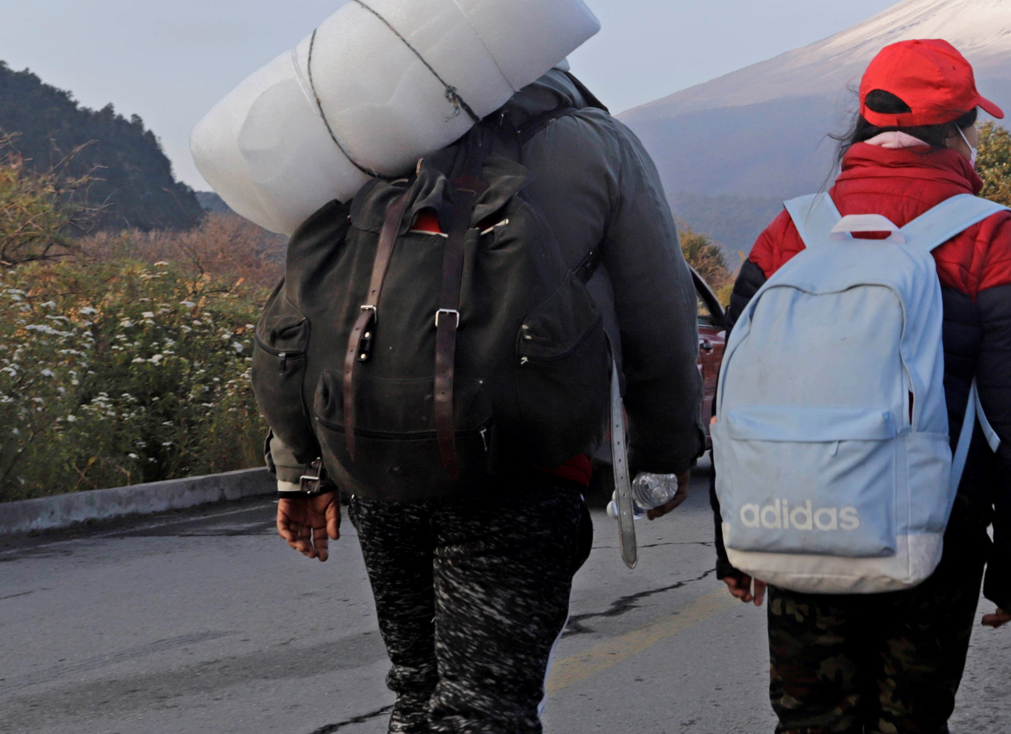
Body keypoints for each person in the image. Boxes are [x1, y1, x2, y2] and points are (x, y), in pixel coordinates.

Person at [273, 68, 706, 733]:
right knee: (483, 712)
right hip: (523, 468)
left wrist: (301, 466)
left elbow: (311, 304)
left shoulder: (376, 135)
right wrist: (665, 449)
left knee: (418, 695)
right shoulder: (596, 144)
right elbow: (658, 308)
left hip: (378, 460)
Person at [713, 38, 1011, 734]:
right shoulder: (988, 236)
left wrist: (732, 541)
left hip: (798, 517)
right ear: (959, 129)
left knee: (809, 719)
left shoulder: (792, 230)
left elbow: (735, 396)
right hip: (935, 527)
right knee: (912, 720)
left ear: (866, 123)